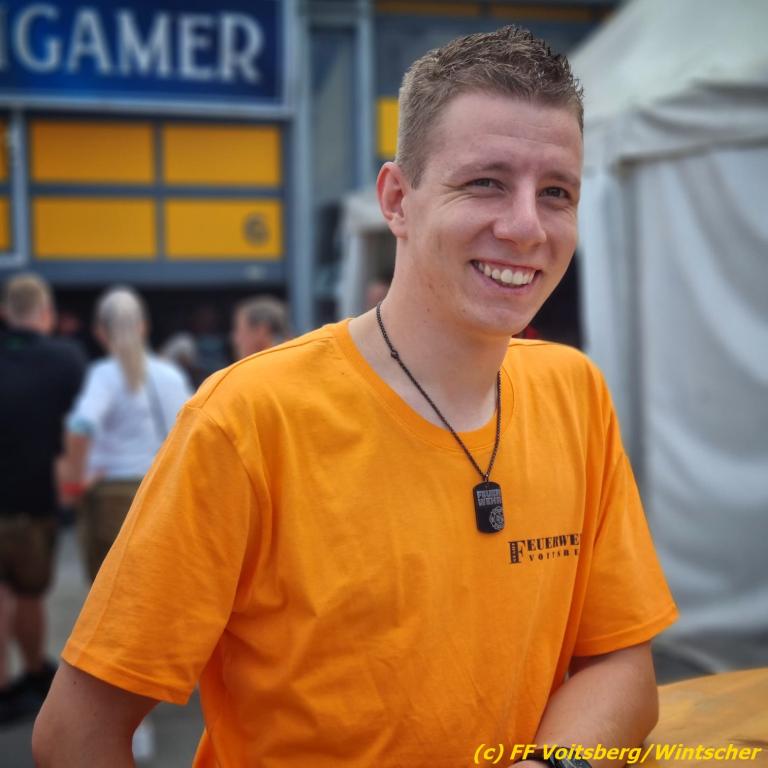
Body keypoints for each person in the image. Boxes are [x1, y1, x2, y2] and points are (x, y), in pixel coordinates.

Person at [34, 27, 677, 768]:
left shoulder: (575, 393)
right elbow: (76, 733)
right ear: (397, 200)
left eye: (556, 192)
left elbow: (621, 663)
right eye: (486, 182)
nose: (527, 226)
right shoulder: (249, 421)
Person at [56, 286, 191, 759]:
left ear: (100, 332)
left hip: (112, 500)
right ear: (144, 327)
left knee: (115, 619)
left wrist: (73, 480)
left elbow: (81, 428)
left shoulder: (104, 375)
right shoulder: (170, 375)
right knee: (163, 607)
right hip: (163, 495)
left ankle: (133, 726)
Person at [0, 273, 85, 724]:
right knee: (29, 593)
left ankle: (5, 688)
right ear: (47, 313)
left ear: (5, 312)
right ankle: (33, 673)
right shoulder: (66, 360)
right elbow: (81, 428)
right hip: (34, 500)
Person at [230, 294, 290, 360]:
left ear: (262, 330)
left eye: (239, 330)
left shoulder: (268, 363)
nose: (235, 339)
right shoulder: (293, 354)